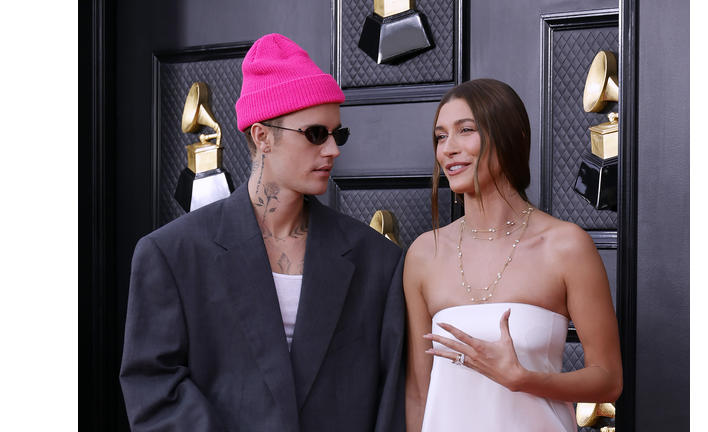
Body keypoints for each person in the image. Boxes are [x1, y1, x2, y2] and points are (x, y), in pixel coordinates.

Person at [120, 33, 406, 432]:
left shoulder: (378, 261)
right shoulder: (171, 255)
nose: (333, 150)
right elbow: (153, 388)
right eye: (315, 134)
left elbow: (392, 398)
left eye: (336, 134)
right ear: (262, 136)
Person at [403, 78, 622, 431]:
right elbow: (418, 392)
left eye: (466, 130)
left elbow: (608, 379)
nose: (448, 148)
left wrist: (522, 378)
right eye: (441, 136)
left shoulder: (565, 246)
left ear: (511, 138)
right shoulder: (424, 254)